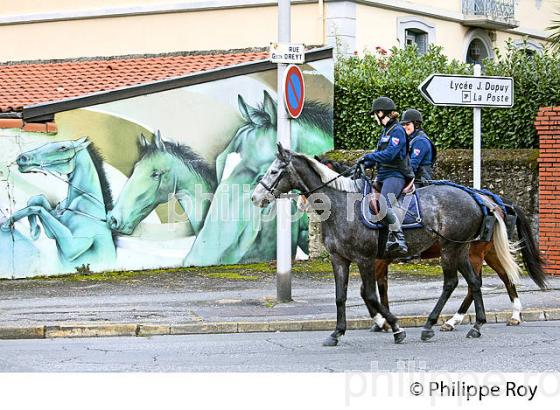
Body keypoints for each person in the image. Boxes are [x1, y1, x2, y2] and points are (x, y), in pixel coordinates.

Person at [358, 96, 414, 258]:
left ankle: (400, 239)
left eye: (375, 114)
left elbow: (390, 154)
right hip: (383, 175)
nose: (374, 117)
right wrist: (365, 162)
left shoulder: (397, 130)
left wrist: (369, 156)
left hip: (396, 175)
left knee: (383, 204)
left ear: (381, 113)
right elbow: (379, 154)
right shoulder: (386, 131)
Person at [401, 109, 436, 186]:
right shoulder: (411, 139)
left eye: (407, 124)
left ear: (416, 125)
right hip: (414, 178)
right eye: (403, 125)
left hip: (420, 181)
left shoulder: (420, 141)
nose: (404, 127)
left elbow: (412, 164)